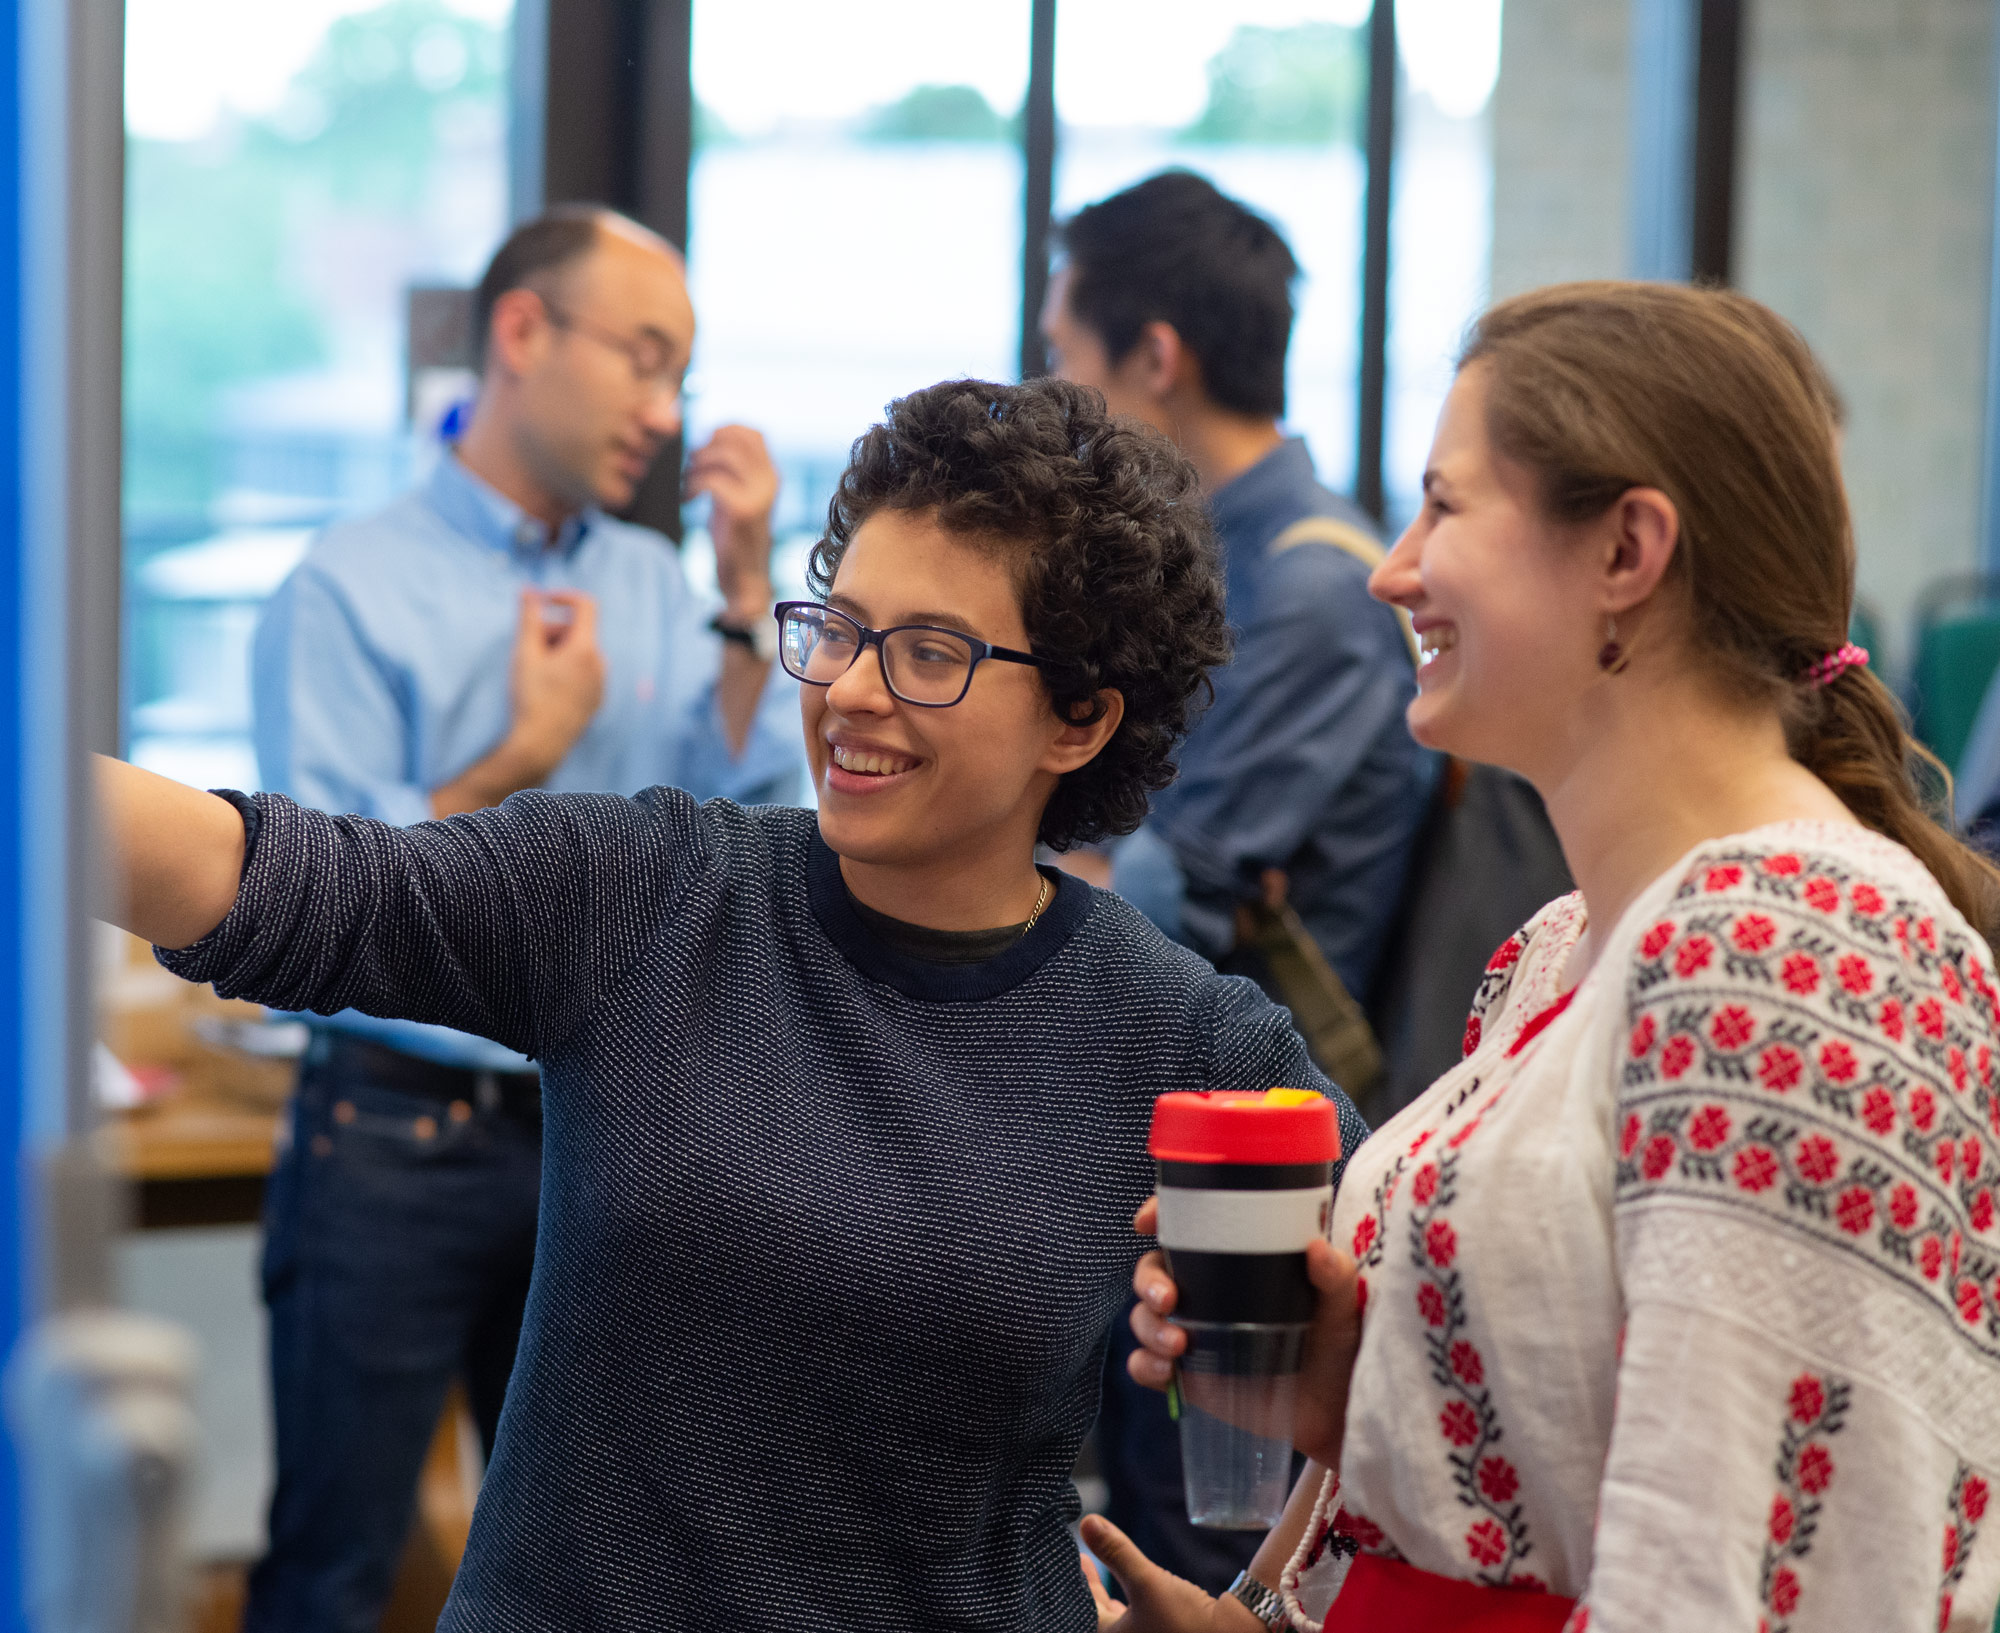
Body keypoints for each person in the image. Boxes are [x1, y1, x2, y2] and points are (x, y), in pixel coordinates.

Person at [98, 376, 1370, 1633]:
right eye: (840, 627)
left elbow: (1416, 1343)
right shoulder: (654, 893)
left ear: (1079, 721)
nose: (852, 691)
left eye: (929, 653)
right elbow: (281, 880)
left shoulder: (1177, 1036)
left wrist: (1259, 1609)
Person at [1081, 282, 2000, 1632]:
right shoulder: (1562, 948)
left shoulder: (1786, 949)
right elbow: (1555, 1474)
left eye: (1444, 507)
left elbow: (1735, 1584)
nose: (1394, 570)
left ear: (1627, 549)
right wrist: (1340, 1404)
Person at [240, 204, 800, 1632]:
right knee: (334, 1569)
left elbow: (750, 820)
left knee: (585, 1577)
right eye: (643, 358)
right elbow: (313, 910)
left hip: (603, 1133)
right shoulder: (343, 587)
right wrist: (515, 763)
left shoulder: (651, 586)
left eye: (683, 375)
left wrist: (744, 592)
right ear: (521, 331)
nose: (665, 413)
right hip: (393, 1139)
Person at [1043, 169, 1429, 1592]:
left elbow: (1163, 886)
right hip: (1183, 1147)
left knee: (1204, 1550)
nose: (1059, 404)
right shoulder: (1228, 562)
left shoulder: (1315, 588)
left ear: (1157, 357)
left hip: (1265, 1171)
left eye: (1067, 360)